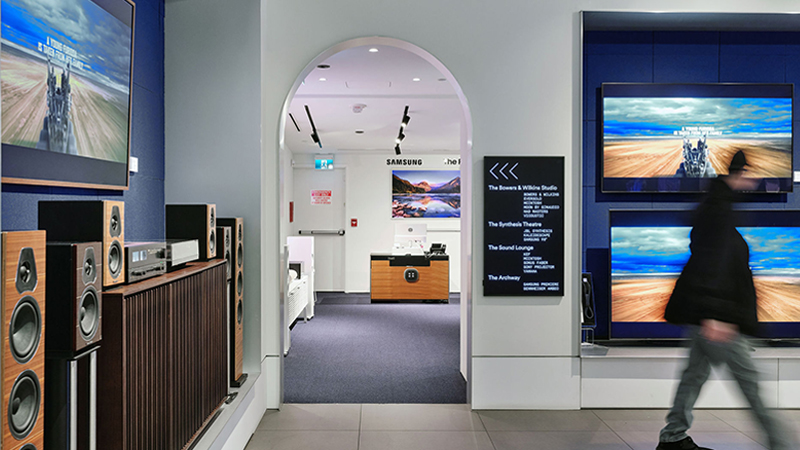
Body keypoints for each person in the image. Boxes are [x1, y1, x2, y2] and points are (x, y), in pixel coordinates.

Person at [657, 150, 792, 450]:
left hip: (711, 315)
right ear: (741, 173)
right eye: (753, 173)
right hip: (720, 319)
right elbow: (710, 264)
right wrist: (715, 315)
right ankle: (782, 445)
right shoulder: (718, 209)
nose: (757, 180)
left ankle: (672, 437)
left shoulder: (719, 204)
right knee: (751, 386)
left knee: (693, 377)